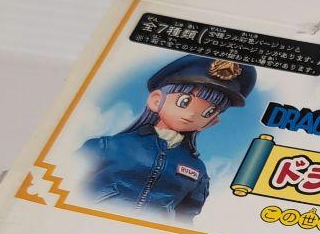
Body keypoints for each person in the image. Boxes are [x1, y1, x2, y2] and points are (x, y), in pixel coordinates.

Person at [77, 54, 255, 221]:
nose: (191, 114)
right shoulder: (110, 146)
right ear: (156, 100)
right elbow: (71, 179)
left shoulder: (197, 169)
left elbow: (186, 216)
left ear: (211, 122)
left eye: (208, 112)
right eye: (184, 102)